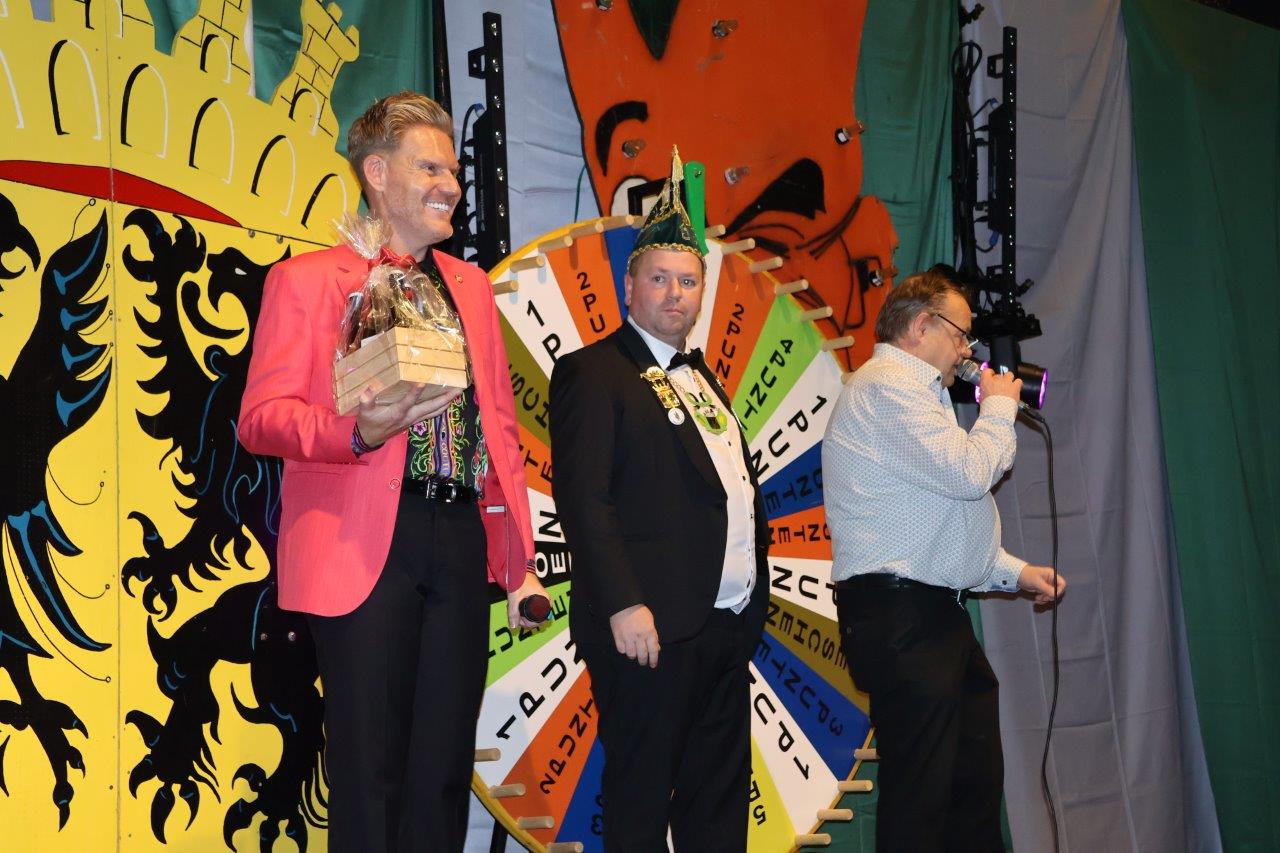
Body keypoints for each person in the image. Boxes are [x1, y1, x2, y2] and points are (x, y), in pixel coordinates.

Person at [238, 91, 548, 852]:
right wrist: (358, 432)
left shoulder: (471, 286)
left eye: (453, 171)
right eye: (430, 168)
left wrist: (518, 563)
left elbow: (498, 430)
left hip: (457, 538)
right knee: (369, 772)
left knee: (440, 773)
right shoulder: (308, 279)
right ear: (377, 173)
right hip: (361, 540)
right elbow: (260, 419)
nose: (452, 185)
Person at [549, 149, 770, 852]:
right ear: (629, 286)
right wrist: (623, 603)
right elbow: (583, 498)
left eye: (688, 281)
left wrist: (750, 608)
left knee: (718, 807)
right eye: (660, 279)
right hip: (646, 629)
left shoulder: (705, 378)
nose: (676, 294)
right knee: (641, 803)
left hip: (724, 626)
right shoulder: (593, 372)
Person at [822, 269, 1066, 851]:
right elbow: (969, 474)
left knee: (970, 791)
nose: (966, 351)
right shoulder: (886, 386)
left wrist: (1015, 573)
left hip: (933, 613)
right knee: (923, 797)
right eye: (961, 334)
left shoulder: (919, 397)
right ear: (920, 326)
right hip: (901, 616)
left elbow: (941, 525)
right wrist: (1000, 407)